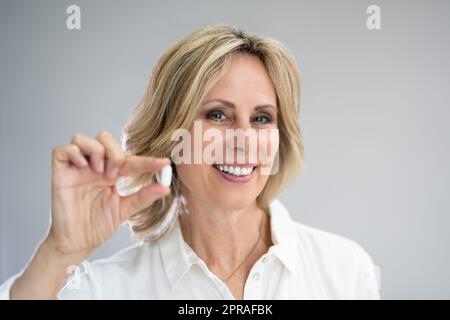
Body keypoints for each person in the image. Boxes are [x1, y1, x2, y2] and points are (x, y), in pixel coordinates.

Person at [0, 24, 380, 300]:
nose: (243, 139)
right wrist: (61, 252)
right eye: (217, 115)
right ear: (171, 135)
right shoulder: (106, 289)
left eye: (262, 118)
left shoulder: (345, 271)